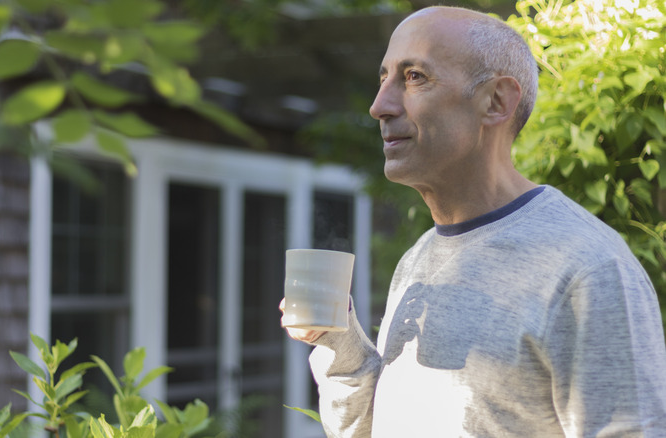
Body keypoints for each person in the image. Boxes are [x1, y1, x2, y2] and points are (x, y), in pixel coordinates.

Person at [280, 6, 666, 437]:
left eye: (414, 77)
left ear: (496, 101)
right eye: (383, 78)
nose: (379, 106)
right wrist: (337, 340)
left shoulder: (588, 270)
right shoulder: (418, 258)